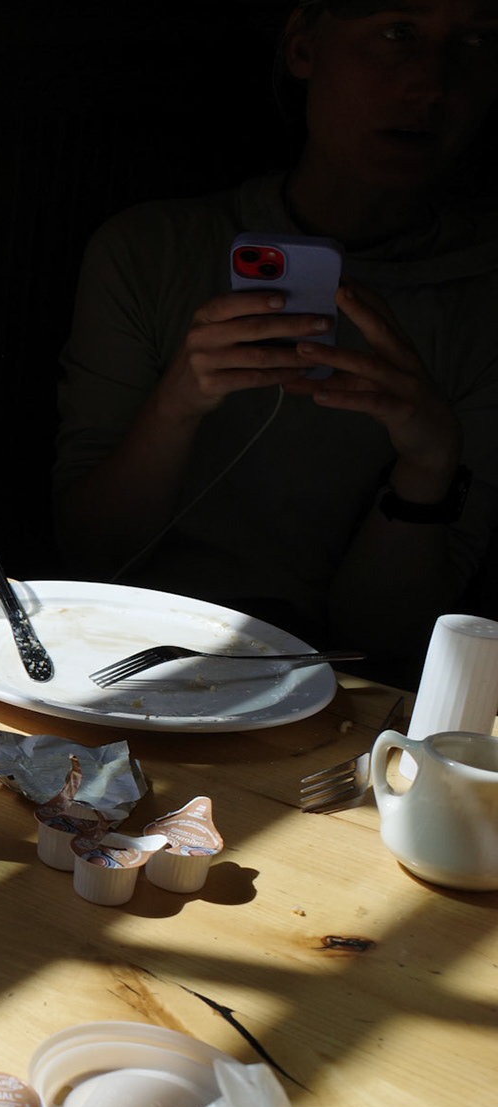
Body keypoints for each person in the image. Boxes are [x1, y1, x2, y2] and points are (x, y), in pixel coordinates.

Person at [54, 0, 498, 680]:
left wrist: (429, 464)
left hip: (338, 692)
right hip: (120, 657)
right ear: (304, 48)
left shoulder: (479, 302)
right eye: (398, 33)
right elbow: (87, 558)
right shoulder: (149, 251)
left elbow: (386, 646)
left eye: (476, 42)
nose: (432, 84)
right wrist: (176, 406)